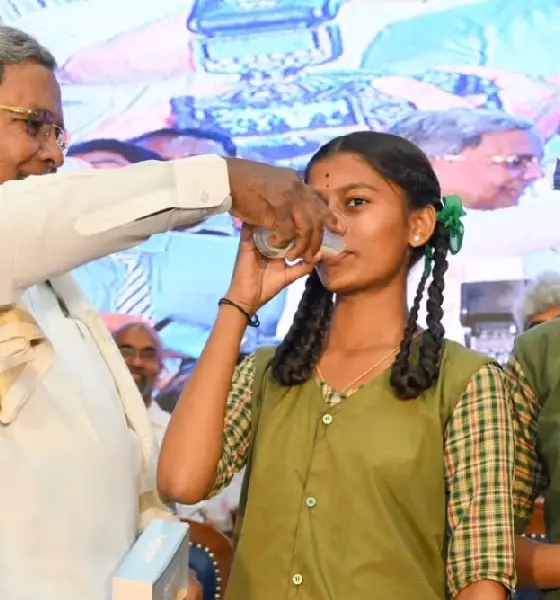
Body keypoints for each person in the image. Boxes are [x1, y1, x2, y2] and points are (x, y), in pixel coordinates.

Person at [0, 24, 340, 600]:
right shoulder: (22, 239)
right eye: (33, 124)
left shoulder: (57, 284)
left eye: (59, 131)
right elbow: (33, 218)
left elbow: (117, 458)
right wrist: (221, 178)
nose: (56, 153)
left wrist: (162, 561)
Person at [158, 131, 516, 599]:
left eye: (356, 203)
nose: (331, 225)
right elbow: (182, 481)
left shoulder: (467, 381)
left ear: (420, 225)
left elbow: (481, 569)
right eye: (318, 207)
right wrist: (240, 302)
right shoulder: (269, 370)